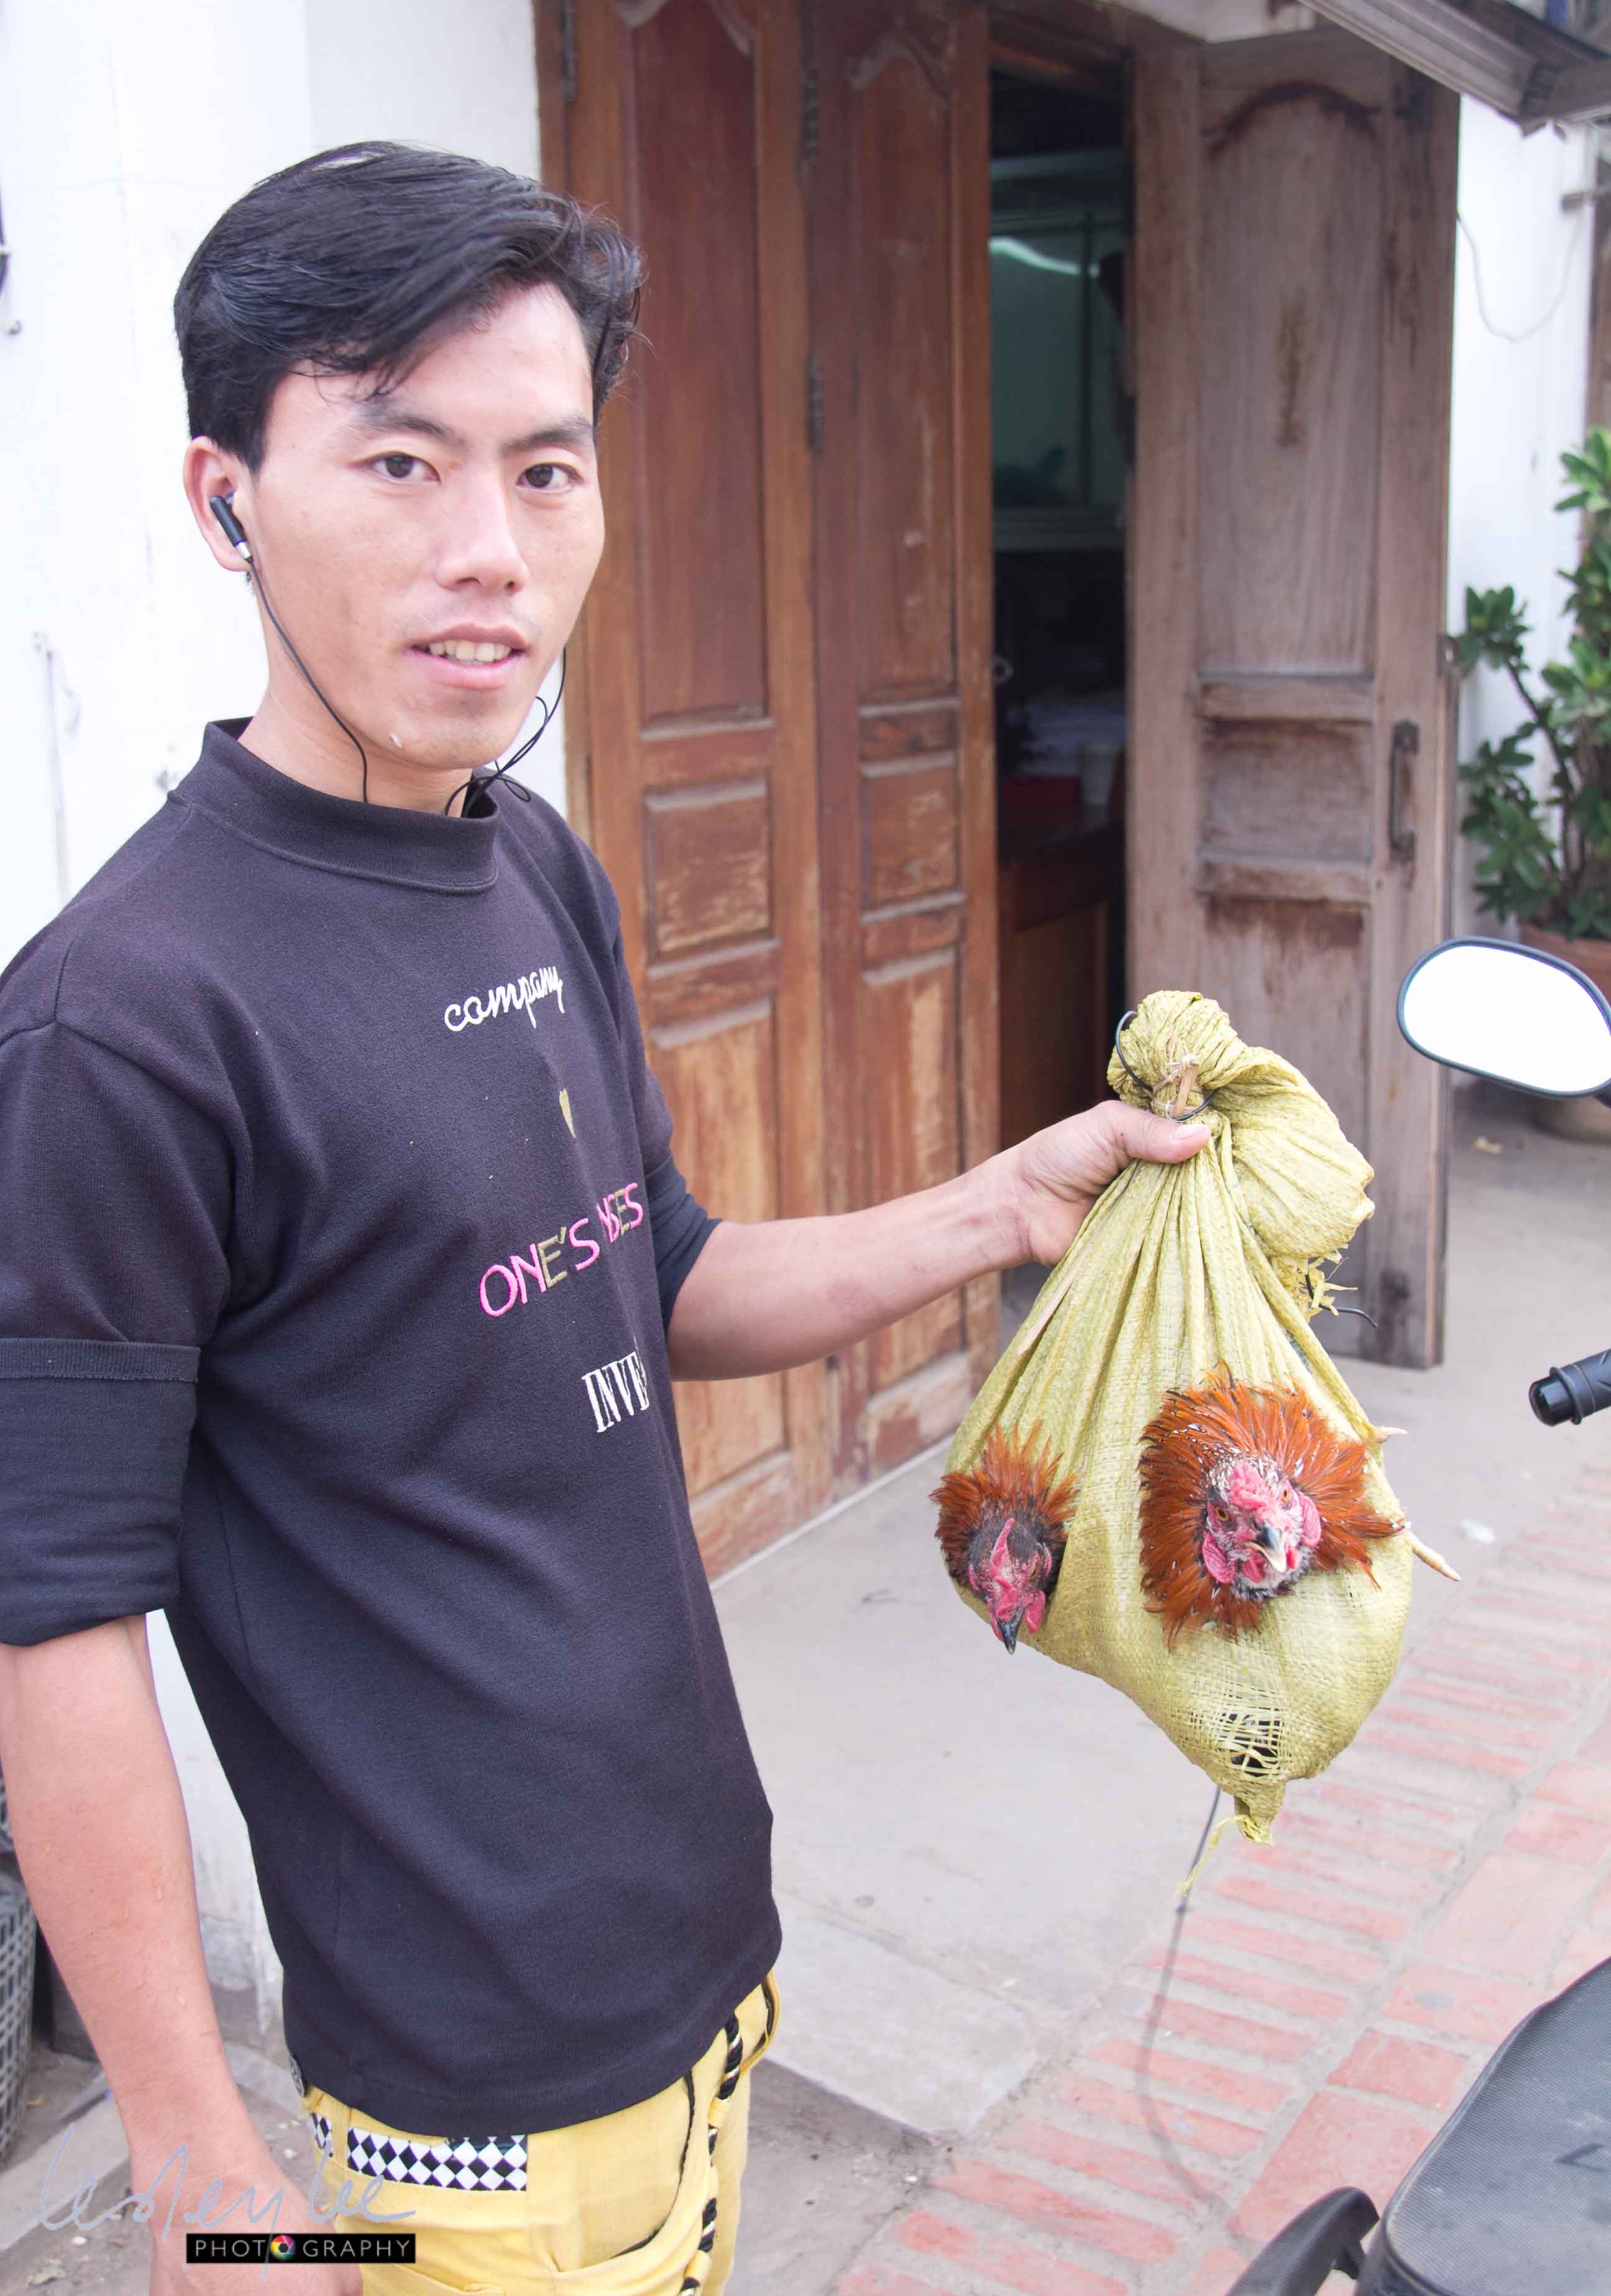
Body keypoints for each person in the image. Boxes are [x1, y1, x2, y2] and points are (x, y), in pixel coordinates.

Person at [0, 143, 1207, 2296]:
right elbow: (52, 1614)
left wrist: (1004, 1203)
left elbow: (658, 1281)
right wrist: (190, 2159)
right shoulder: (123, 1022)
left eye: (546, 471)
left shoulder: (531, 865)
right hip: (471, 2088)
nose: (490, 548)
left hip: (700, 1956)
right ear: (224, 500)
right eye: (401, 461)